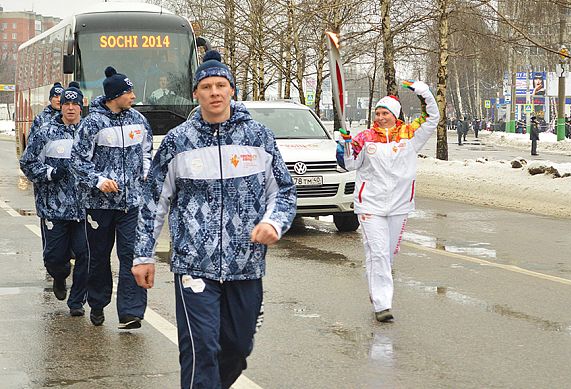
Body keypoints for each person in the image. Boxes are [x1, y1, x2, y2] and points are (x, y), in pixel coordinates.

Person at [132, 50, 296, 388]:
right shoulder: (179, 142)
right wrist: (143, 255)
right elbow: (153, 201)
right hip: (194, 264)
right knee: (201, 348)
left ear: (232, 90)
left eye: (221, 85)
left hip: (246, 263)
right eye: (206, 86)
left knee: (237, 347)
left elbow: (283, 192)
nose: (215, 92)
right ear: (196, 93)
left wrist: (273, 223)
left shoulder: (258, 137)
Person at [336, 80, 439, 322]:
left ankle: (376, 291)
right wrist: (346, 145)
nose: (380, 117)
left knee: (385, 255)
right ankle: (383, 305)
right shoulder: (364, 138)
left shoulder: (410, 135)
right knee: (380, 253)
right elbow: (349, 164)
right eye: (378, 113)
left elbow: (432, 117)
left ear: (395, 115)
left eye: (385, 113)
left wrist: (423, 91)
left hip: (399, 206)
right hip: (370, 205)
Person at [72, 66, 153, 329]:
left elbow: (147, 154)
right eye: (128, 91)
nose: (132, 95)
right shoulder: (93, 123)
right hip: (99, 205)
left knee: (132, 254)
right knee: (99, 256)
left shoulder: (138, 120)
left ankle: (131, 311)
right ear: (114, 95)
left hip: (131, 203)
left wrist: (144, 177)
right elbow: (77, 161)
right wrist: (99, 181)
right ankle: (97, 302)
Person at [20, 82, 89, 316]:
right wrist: (49, 173)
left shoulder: (89, 133)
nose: (70, 108)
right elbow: (27, 163)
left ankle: (77, 301)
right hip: (54, 207)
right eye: (66, 104)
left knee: (85, 254)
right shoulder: (46, 132)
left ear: (81, 107)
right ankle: (59, 276)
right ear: (61, 107)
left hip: (84, 208)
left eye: (74, 104)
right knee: (55, 257)